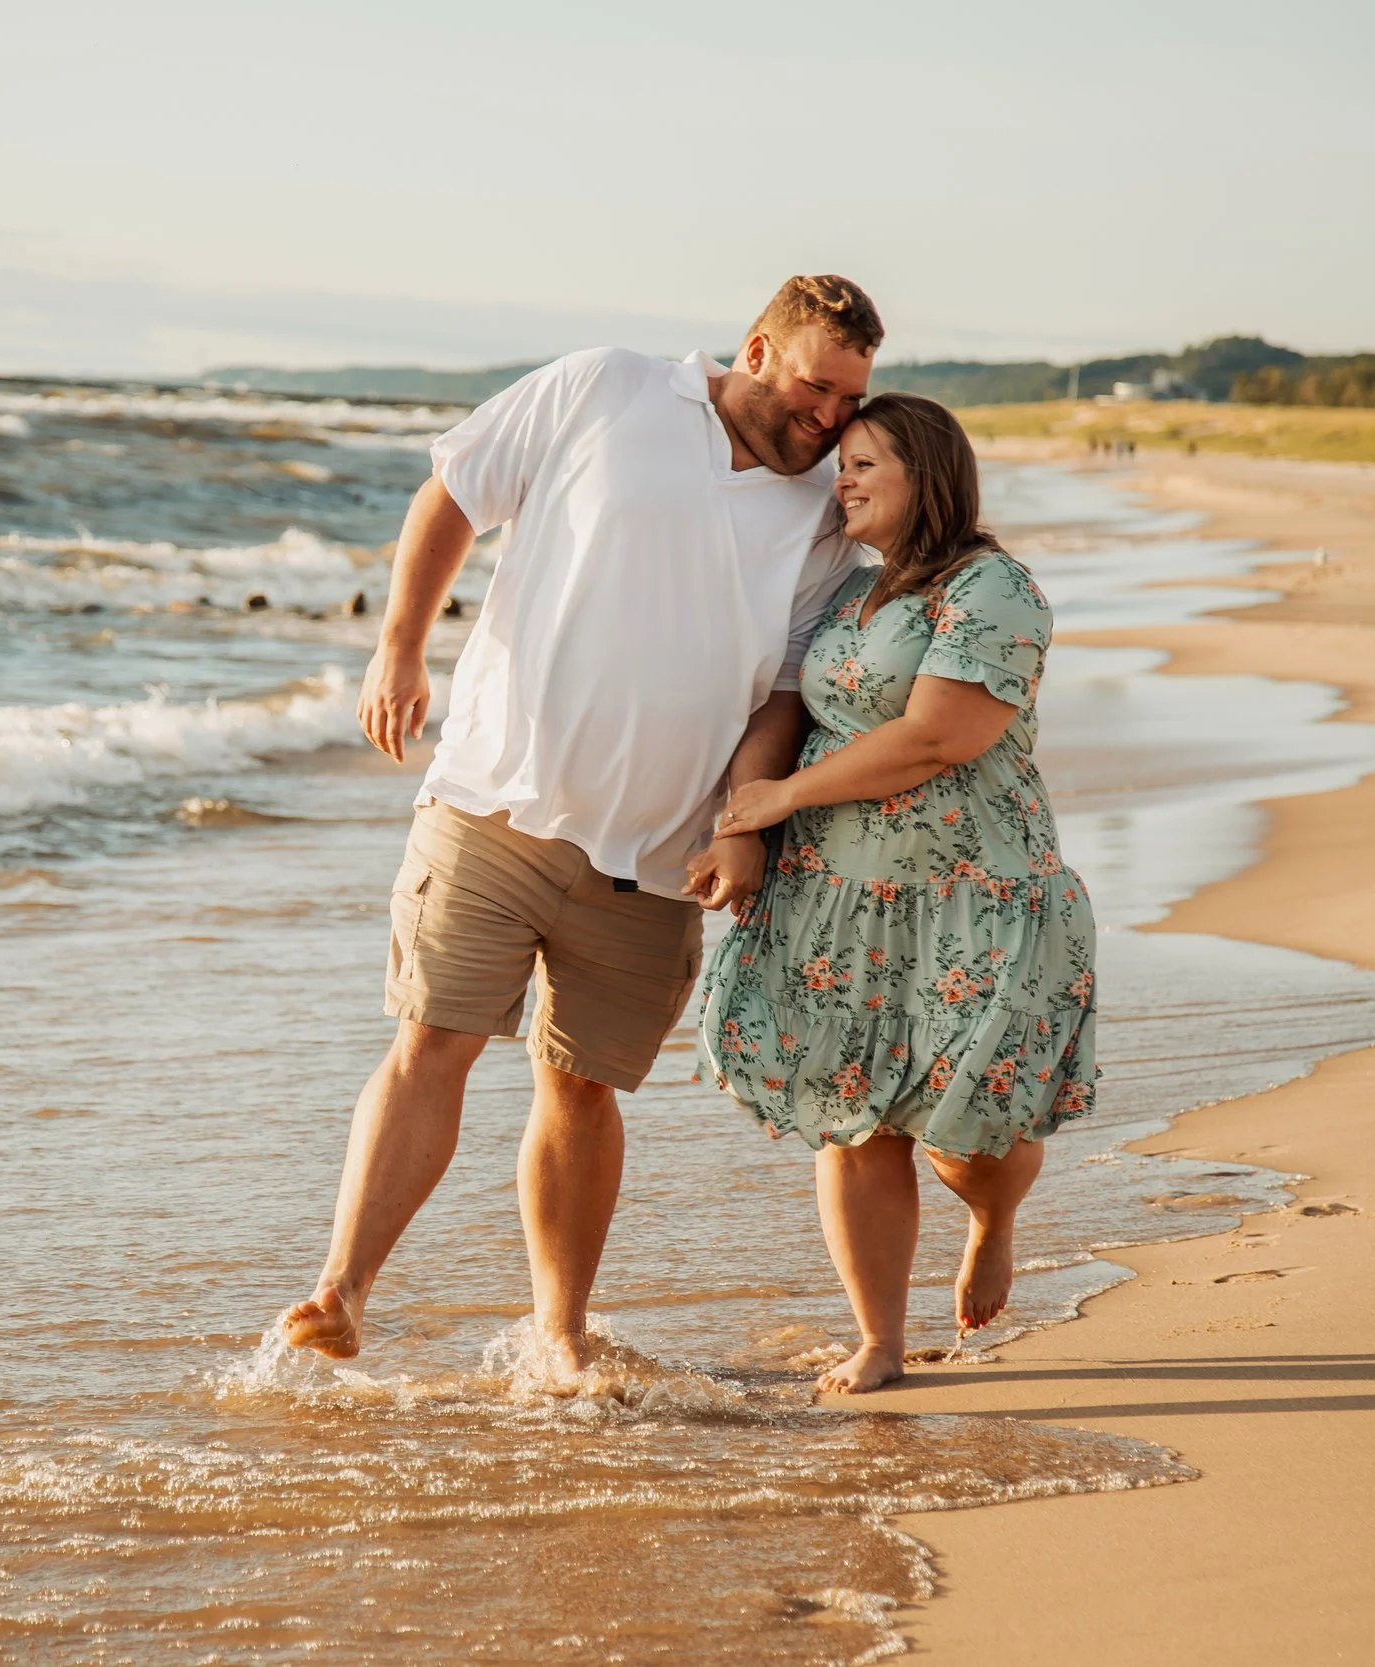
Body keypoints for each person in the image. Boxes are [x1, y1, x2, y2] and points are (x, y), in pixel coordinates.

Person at [280, 276, 883, 1376]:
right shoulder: (607, 386)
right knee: (432, 1040)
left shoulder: (821, 509)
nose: (833, 419)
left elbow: (785, 689)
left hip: (657, 852)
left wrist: (743, 820)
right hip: (494, 799)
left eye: (851, 401)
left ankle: (557, 1331)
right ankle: (340, 1291)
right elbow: (454, 491)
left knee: (582, 1085)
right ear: (757, 349)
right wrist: (399, 645)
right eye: (817, 387)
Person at [694, 392, 1098, 1395]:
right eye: (842, 464)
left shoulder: (991, 588)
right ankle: (877, 1337)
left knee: (969, 1130)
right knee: (853, 1119)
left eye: (867, 462)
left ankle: (991, 1216)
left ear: (929, 473)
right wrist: (743, 830)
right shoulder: (845, 598)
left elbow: (935, 736)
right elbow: (786, 710)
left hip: (980, 902)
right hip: (837, 903)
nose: (845, 479)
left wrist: (780, 794)